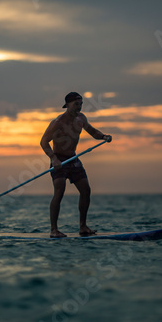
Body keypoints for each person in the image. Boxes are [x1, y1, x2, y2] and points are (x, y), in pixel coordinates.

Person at [40, 92, 112, 238]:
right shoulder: (57, 122)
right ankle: (54, 230)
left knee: (86, 190)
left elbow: (92, 132)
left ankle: (83, 227)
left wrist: (104, 136)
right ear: (67, 105)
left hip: (73, 159)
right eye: (76, 104)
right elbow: (43, 142)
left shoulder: (81, 119)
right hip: (59, 160)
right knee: (59, 191)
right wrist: (53, 159)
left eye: (80, 104)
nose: (79, 107)